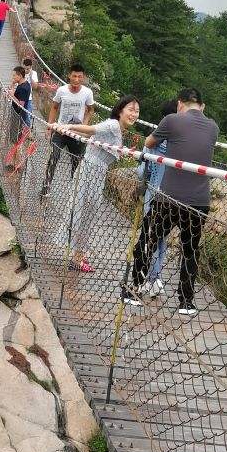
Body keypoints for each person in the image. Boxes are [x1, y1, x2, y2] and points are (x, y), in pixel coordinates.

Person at [125, 88, 219, 317]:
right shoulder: (214, 127)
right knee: (190, 251)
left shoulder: (172, 120)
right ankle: (186, 302)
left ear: (179, 104)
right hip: (199, 202)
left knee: (148, 240)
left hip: (169, 198)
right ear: (203, 106)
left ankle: (134, 289)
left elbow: (149, 142)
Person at [59, 95, 140, 272]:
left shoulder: (118, 129)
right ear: (120, 111)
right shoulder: (112, 125)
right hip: (90, 171)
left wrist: (124, 151)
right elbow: (90, 130)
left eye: (137, 111)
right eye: (131, 110)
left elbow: (102, 143)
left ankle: (78, 255)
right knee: (84, 212)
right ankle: (76, 257)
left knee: (88, 213)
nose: (134, 114)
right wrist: (68, 127)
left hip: (96, 172)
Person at [137, 99, 177, 296]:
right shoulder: (180, 145)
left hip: (153, 193)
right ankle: (156, 278)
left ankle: (150, 278)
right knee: (161, 239)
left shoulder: (153, 141)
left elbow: (141, 170)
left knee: (150, 236)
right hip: (172, 196)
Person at [44, 63, 95, 191]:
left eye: (79, 77)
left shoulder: (87, 93)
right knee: (53, 158)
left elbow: (90, 110)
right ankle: (46, 188)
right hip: (60, 131)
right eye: (74, 76)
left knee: (76, 164)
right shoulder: (62, 90)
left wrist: (84, 125)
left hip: (76, 133)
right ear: (69, 76)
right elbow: (54, 107)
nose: (76, 79)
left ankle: (74, 193)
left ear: (83, 78)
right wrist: (49, 127)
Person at [9, 65, 31, 143]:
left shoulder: (23, 88)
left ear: (20, 76)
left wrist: (12, 96)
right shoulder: (23, 84)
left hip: (19, 116)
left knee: (16, 140)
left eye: (14, 75)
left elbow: (21, 105)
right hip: (16, 114)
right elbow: (11, 92)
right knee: (14, 137)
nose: (13, 77)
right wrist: (12, 84)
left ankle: (16, 154)